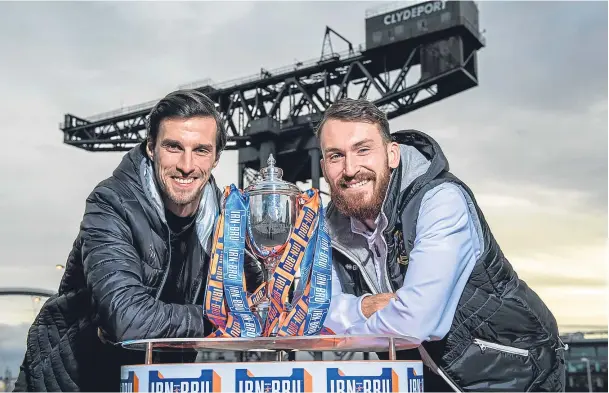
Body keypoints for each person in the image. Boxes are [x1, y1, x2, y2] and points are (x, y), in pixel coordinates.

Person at [14, 90, 262, 392]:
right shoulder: (110, 204)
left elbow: (262, 298)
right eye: (173, 147)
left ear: (216, 159)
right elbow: (128, 320)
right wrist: (222, 315)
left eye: (200, 150)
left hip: (155, 383)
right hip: (72, 384)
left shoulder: (226, 218)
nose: (186, 164)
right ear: (151, 148)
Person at [318, 98, 566, 392]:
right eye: (336, 156)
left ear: (392, 154)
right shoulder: (329, 225)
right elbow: (312, 312)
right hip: (429, 381)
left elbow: (414, 324)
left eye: (363, 150)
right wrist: (368, 306)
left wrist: (348, 316)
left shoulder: (441, 201)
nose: (350, 168)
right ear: (324, 167)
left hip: (517, 376)